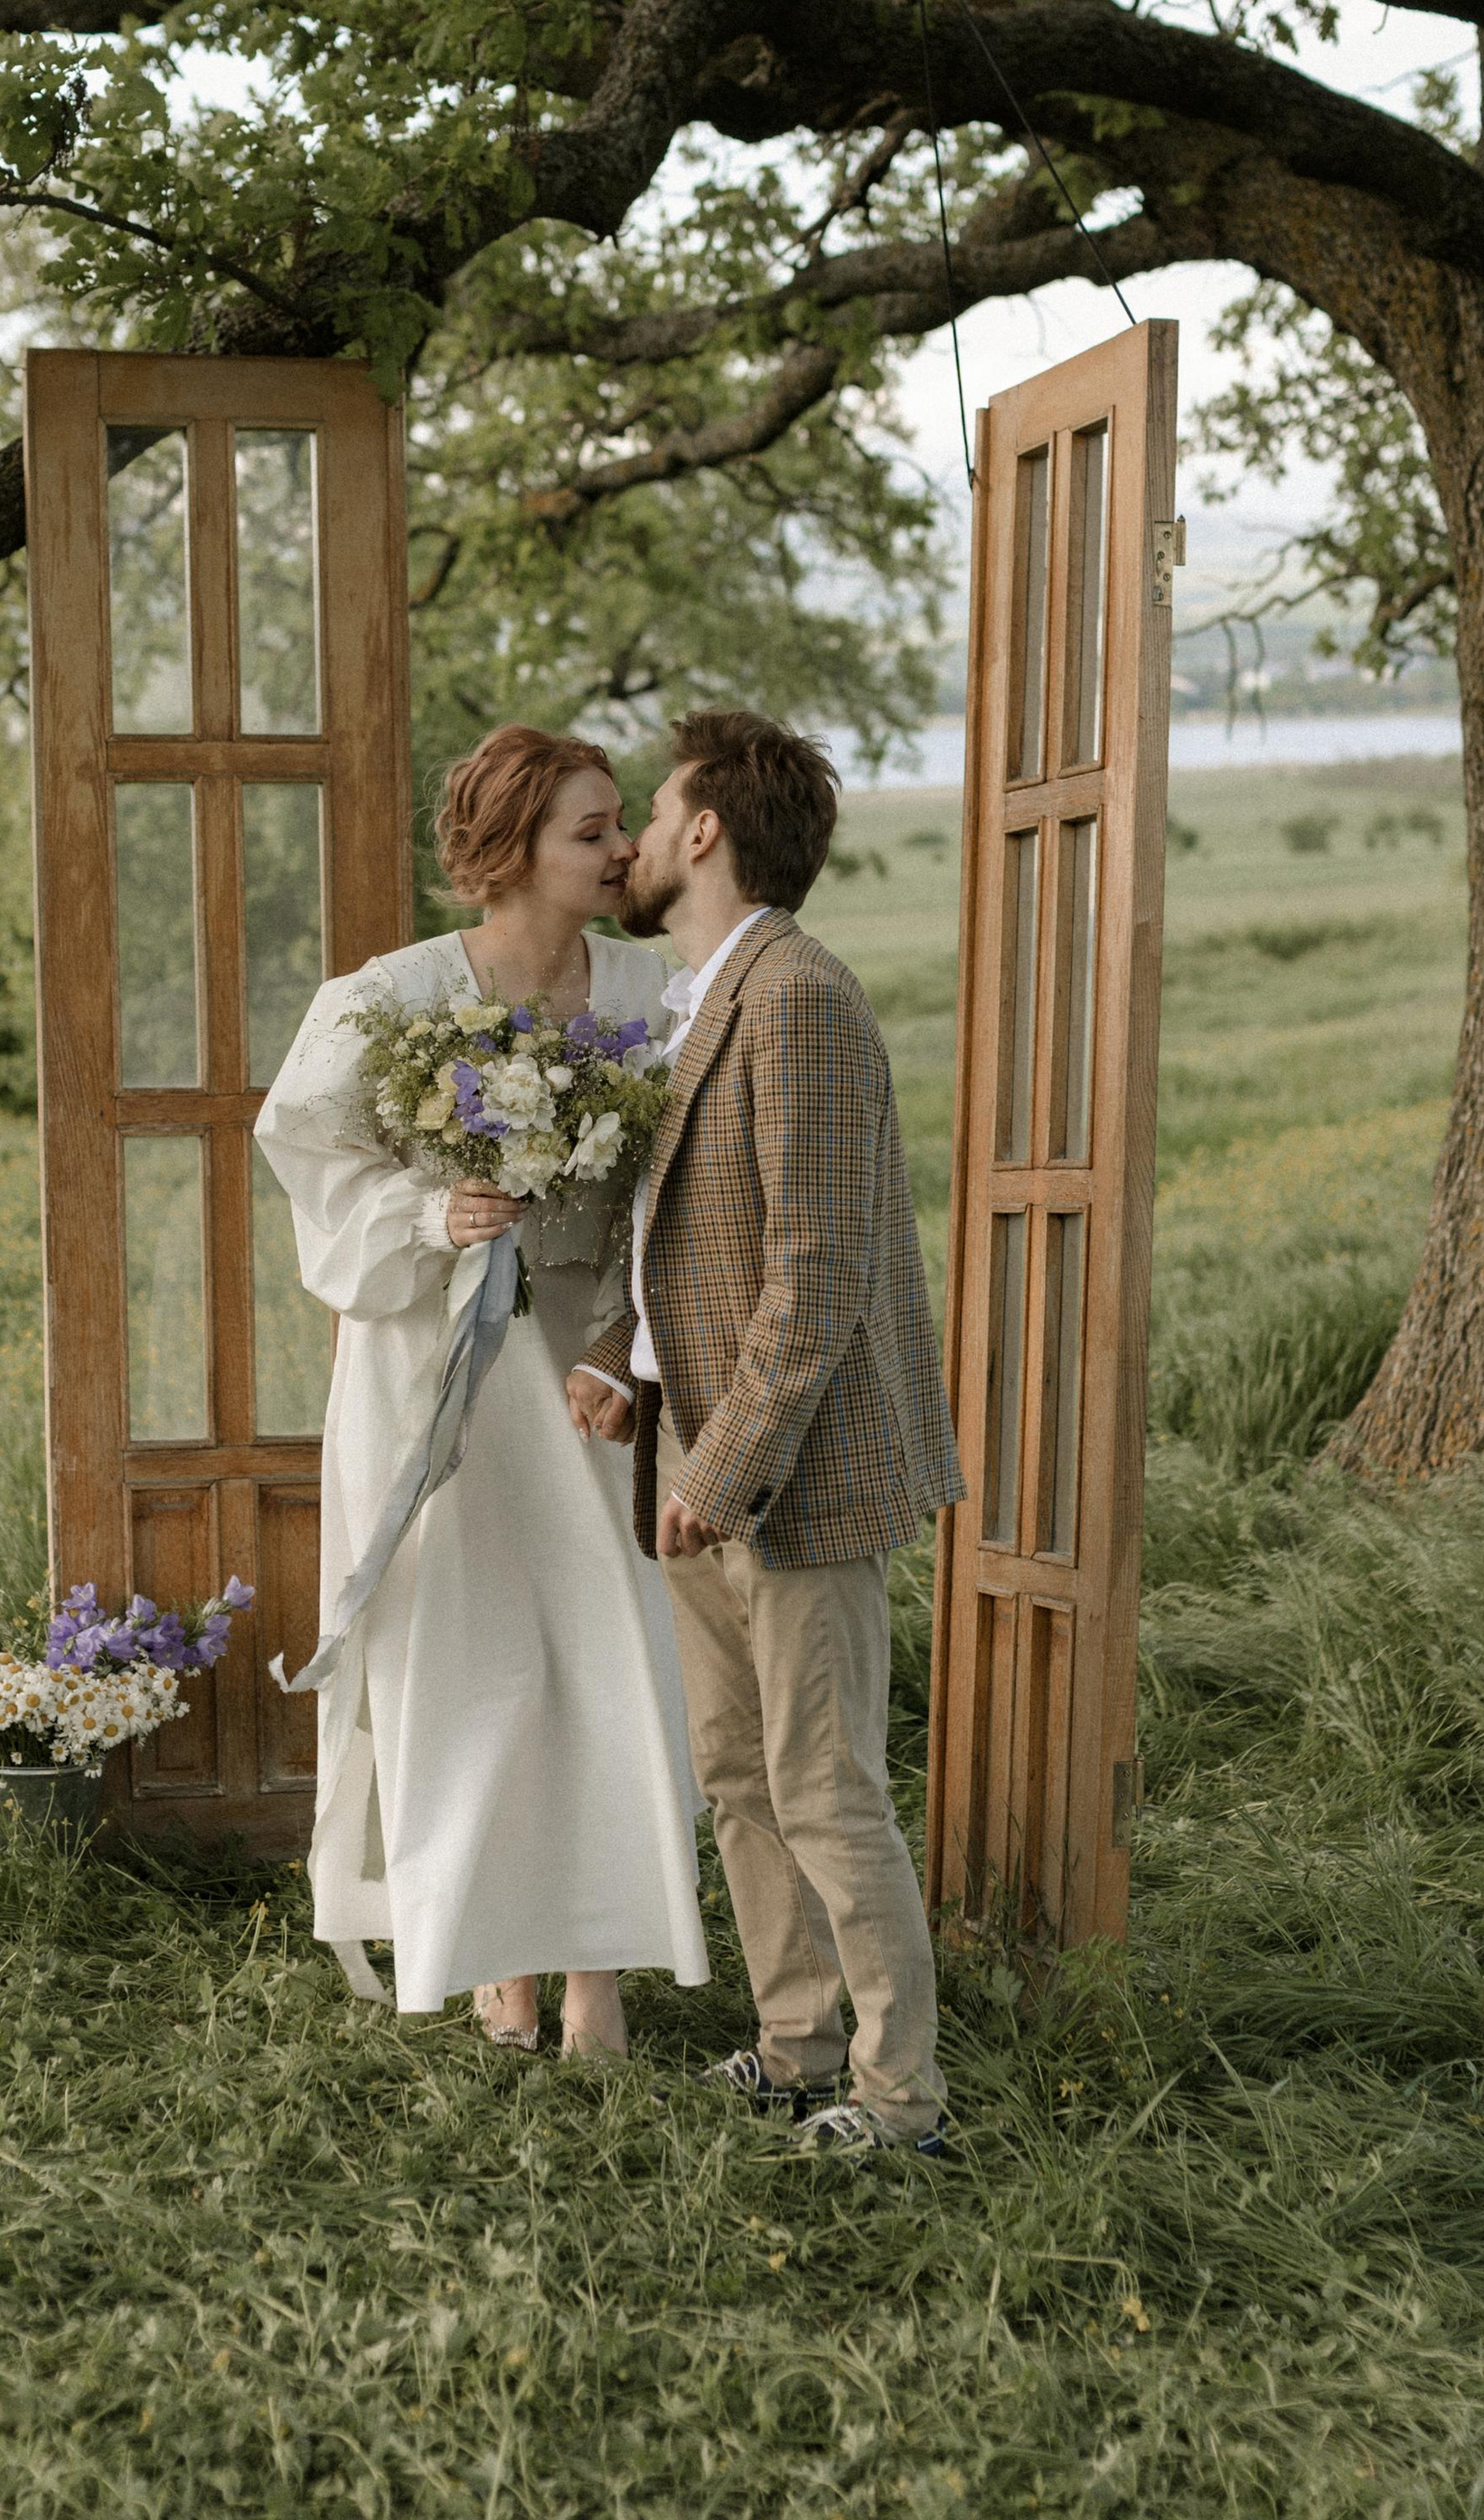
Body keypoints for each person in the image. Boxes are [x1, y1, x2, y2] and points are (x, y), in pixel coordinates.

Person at [253, 726, 709, 2054]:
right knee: (466, 1659)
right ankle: (492, 1949)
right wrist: (427, 1211)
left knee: (604, 1653)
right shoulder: (383, 999)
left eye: (622, 820)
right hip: (430, 1377)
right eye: (591, 829)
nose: (623, 847)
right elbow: (308, 1161)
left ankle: (601, 1967)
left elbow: (678, 1196)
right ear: (508, 853)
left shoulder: (649, 987)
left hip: (587, 1374)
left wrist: (623, 1347)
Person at [589, 709, 964, 2157]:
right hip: (692, 1445)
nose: (626, 839)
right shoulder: (697, 998)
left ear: (705, 831)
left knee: (824, 1787)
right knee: (739, 1775)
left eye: (653, 808)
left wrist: (728, 1468)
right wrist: (627, 1371)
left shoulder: (797, 993)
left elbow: (818, 1270)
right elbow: (682, 1244)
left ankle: (901, 2100)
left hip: (793, 1469)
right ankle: (798, 2043)